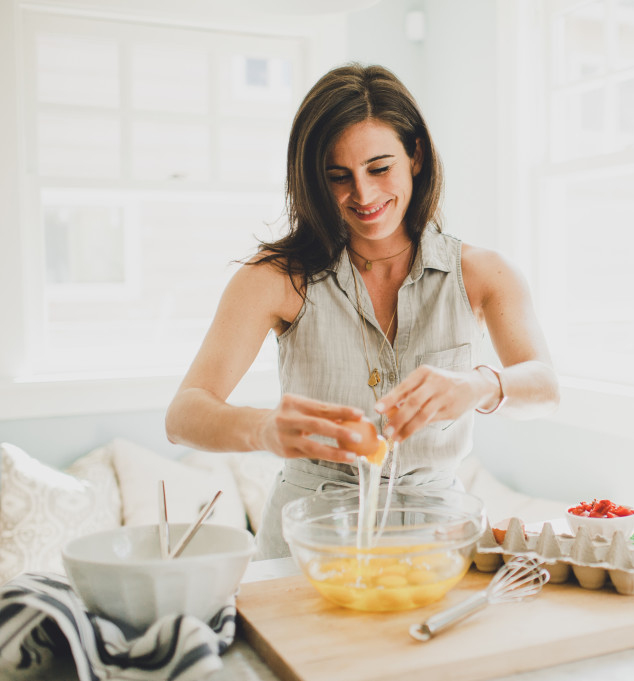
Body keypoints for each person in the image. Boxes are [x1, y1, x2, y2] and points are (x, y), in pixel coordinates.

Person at [165, 64, 560, 559]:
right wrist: (262, 428)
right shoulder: (274, 278)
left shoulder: (483, 272)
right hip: (307, 543)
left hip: (437, 541)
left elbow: (545, 389)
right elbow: (182, 415)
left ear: (415, 155)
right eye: (339, 177)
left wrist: (479, 386)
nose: (364, 195)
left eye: (379, 168)